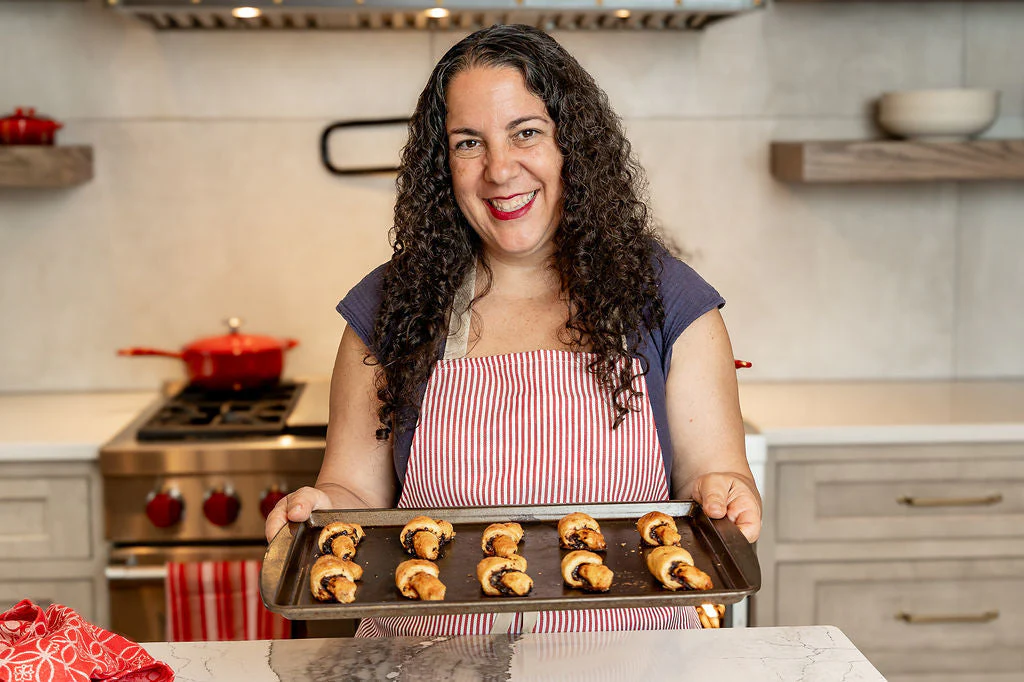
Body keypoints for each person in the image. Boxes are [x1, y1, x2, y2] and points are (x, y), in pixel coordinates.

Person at [265, 23, 761, 636]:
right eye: (468, 143)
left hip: (635, 660)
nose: (499, 170)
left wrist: (726, 491)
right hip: (427, 663)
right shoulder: (392, 307)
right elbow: (353, 494)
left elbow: (712, 478)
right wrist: (322, 507)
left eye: (526, 133)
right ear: (441, 164)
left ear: (572, 145)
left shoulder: (665, 299)